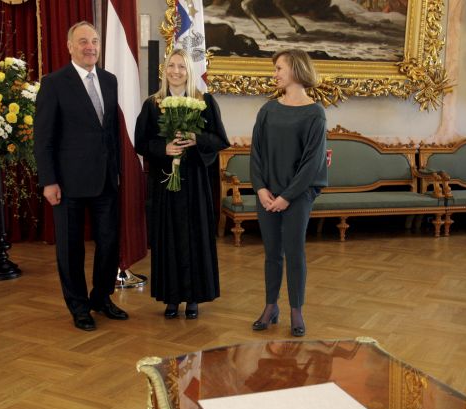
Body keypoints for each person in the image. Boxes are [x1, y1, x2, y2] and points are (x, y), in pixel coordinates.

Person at [34, 21, 128, 332]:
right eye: (83, 41)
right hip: (67, 182)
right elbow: (43, 137)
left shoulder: (110, 80)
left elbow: (110, 132)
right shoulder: (54, 83)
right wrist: (48, 180)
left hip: (106, 180)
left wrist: (117, 171)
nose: (90, 47)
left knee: (109, 243)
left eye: (95, 41)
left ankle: (101, 297)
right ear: (70, 46)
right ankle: (78, 306)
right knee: (70, 248)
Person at [134, 48, 229, 319]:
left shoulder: (204, 101)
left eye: (182, 67)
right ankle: (172, 298)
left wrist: (196, 139)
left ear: (189, 71)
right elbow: (141, 143)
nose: (176, 71)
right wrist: (164, 149)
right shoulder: (153, 104)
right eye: (171, 66)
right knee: (168, 238)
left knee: (196, 237)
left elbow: (220, 139)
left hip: (195, 183)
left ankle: (195, 298)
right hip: (165, 184)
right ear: (164, 70)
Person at [249, 49, 327, 337]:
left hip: (298, 196)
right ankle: (271, 307)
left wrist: (287, 197)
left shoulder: (315, 113)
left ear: (295, 69)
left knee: (294, 253)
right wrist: (260, 189)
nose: (275, 74)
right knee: (272, 253)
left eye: (279, 68)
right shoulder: (268, 110)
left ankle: (296, 310)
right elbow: (255, 153)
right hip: (267, 195)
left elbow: (312, 163)